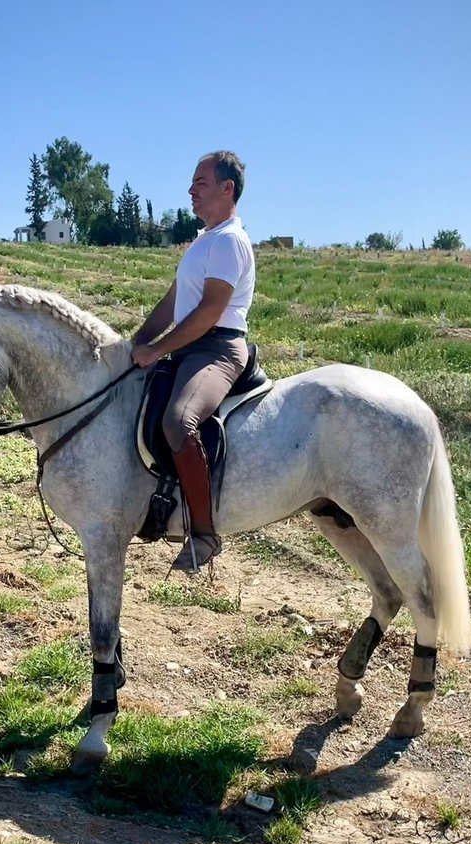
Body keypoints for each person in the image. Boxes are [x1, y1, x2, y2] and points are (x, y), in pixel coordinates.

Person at [131, 151, 255, 573]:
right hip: (190, 346)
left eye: (200, 182)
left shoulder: (229, 241)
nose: (191, 190)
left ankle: (203, 533)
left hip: (216, 348)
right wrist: (136, 341)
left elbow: (207, 312)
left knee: (177, 422)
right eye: (192, 182)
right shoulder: (204, 241)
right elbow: (173, 302)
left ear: (227, 188)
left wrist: (157, 349)